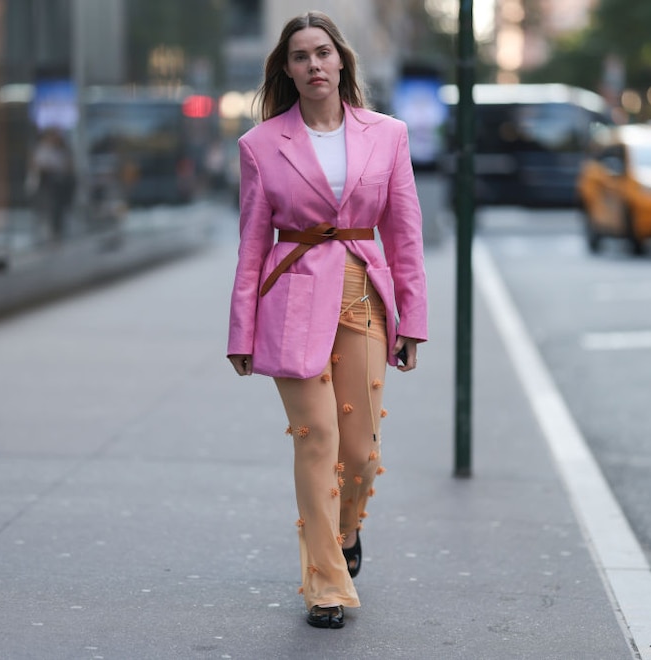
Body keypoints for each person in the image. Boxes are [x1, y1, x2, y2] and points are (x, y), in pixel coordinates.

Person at [226, 11, 428, 630]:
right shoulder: (261, 145)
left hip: (364, 294)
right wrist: (240, 330)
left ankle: (344, 535)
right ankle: (325, 587)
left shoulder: (387, 135)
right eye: (299, 56)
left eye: (322, 53)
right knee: (317, 442)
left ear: (341, 61)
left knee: (361, 454)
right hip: (289, 298)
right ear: (286, 70)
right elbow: (252, 243)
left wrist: (412, 319)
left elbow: (405, 231)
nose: (313, 65)